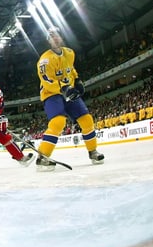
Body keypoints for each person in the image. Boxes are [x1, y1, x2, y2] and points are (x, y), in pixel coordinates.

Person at [36, 27, 104, 171]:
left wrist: (77, 80)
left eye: (57, 35)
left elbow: (71, 69)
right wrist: (64, 88)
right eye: (51, 36)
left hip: (69, 91)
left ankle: (93, 152)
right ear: (48, 40)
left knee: (87, 120)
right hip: (51, 93)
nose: (54, 38)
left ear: (61, 37)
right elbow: (47, 80)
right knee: (58, 122)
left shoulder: (69, 53)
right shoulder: (45, 60)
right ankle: (42, 157)